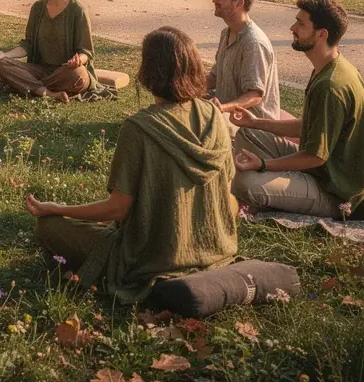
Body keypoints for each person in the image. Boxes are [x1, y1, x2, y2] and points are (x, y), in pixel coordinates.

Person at [26, 27, 237, 302]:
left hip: (153, 258)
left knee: (50, 227)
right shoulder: (214, 115)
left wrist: (57, 208)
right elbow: (229, 196)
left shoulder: (140, 128)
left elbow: (117, 208)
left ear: (148, 71)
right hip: (217, 246)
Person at [232, 0, 364, 218]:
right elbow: (308, 127)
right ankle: (278, 185)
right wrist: (254, 122)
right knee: (249, 133)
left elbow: (315, 157)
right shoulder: (327, 68)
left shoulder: (330, 86)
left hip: (335, 190)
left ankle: (272, 190)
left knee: (244, 183)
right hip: (322, 168)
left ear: (322, 34)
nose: (292, 28)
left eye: (301, 24)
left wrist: (263, 164)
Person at [0, 0, 96, 102]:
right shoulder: (38, 8)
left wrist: (77, 61)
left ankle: (24, 85)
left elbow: (86, 51)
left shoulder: (78, 10)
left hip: (66, 71)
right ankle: (48, 92)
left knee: (77, 75)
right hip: (39, 70)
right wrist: (4, 55)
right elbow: (28, 44)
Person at [207, 0, 286, 158]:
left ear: (238, 3)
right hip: (227, 116)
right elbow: (214, 78)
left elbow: (255, 95)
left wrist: (223, 108)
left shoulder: (253, 42)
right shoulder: (226, 33)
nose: (214, 0)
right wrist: (184, 87)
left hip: (251, 129)